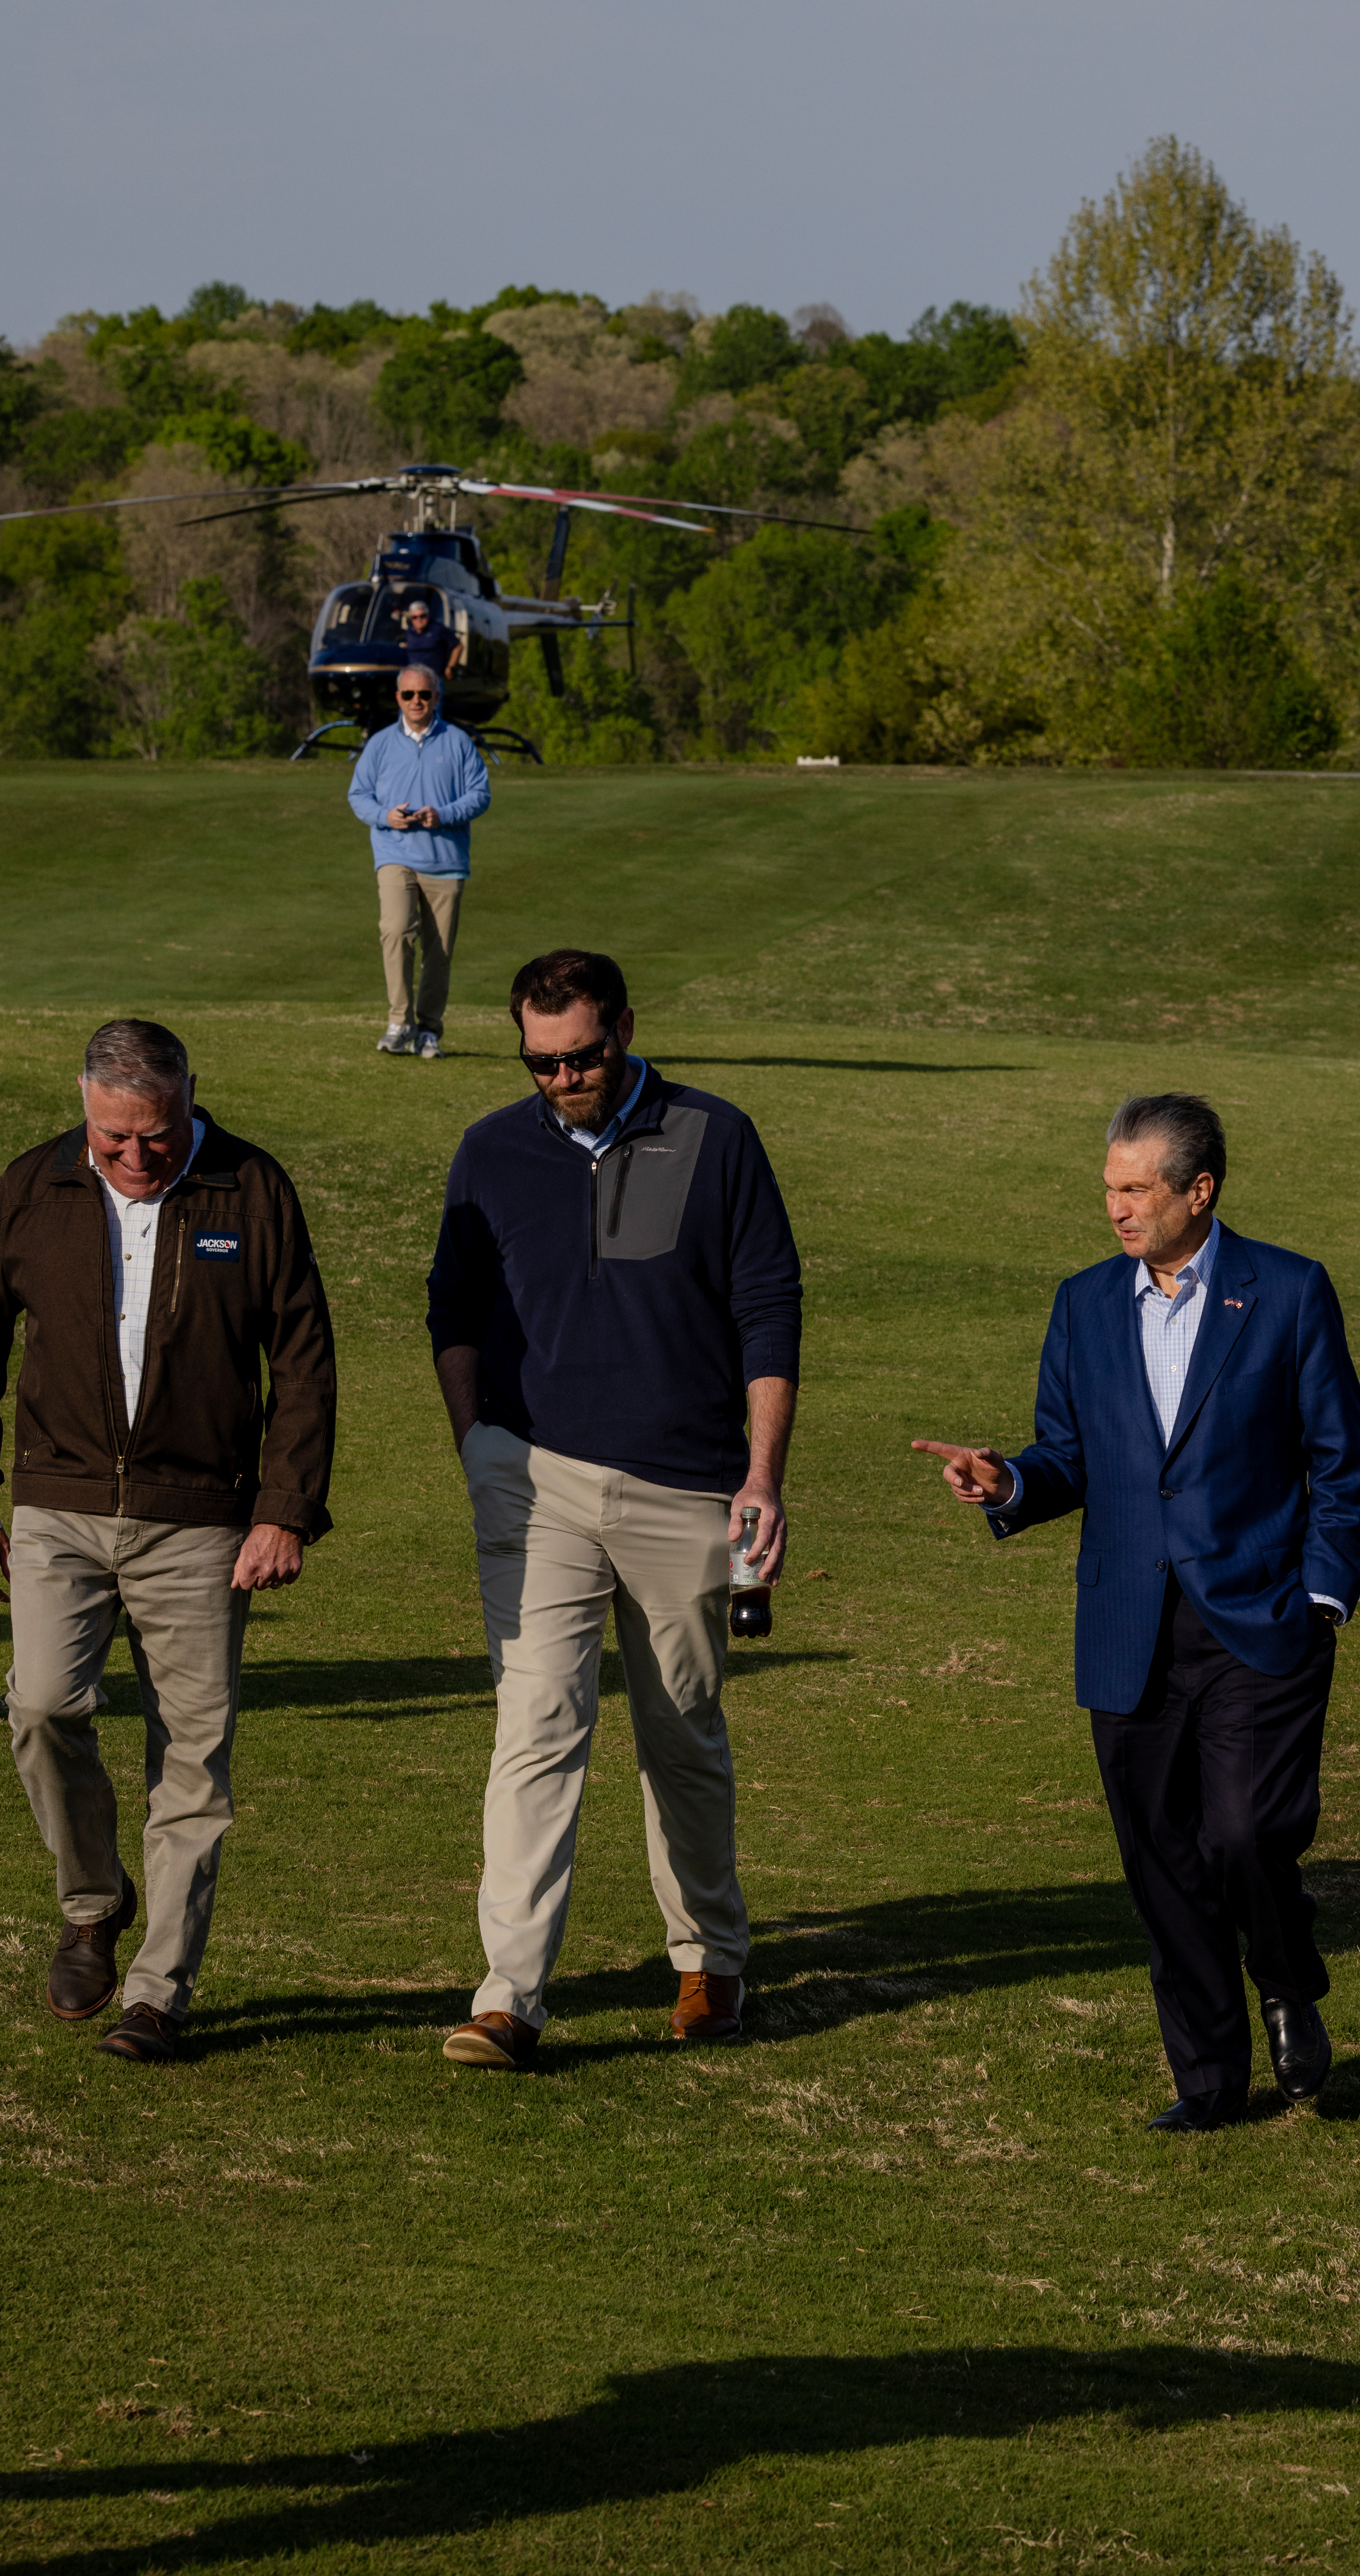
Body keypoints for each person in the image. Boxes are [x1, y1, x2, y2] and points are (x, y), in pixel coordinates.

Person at [913, 1093, 1360, 2133]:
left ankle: (1284, 1971)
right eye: (1107, 1188)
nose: (1114, 1208)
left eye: (1133, 1188)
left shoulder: (1288, 1293)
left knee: (1245, 1832)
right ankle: (1210, 2080)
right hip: (1125, 1624)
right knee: (1162, 1859)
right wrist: (1006, 1484)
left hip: (1258, 1618)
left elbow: (1337, 1466)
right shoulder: (1080, 1303)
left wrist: (1319, 1596)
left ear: (1195, 1190)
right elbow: (1066, 1455)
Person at [0, 1019, 337, 2066]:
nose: (136, 1157)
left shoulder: (251, 1189)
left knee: (193, 1760)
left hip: (202, 1519)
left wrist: (285, 1507)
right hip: (57, 1507)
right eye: (113, 1137)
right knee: (42, 1704)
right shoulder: (34, 1186)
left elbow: (301, 1359)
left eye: (155, 1135)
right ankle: (91, 1899)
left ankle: (158, 1990)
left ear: (189, 1097)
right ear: (84, 1104)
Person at [427, 948, 802, 2069]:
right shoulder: (490, 1147)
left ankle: (707, 1956)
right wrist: (475, 1443)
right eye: (540, 1063)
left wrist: (763, 1474)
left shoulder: (714, 1134)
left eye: (581, 1056)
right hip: (533, 1482)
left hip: (688, 1482)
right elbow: (451, 1302)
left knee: (678, 1727)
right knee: (536, 1723)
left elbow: (767, 1306)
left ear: (625, 1029)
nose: (562, 1080)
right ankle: (509, 1993)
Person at [347, 666, 491, 1061]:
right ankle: (399, 1023)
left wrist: (441, 814)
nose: (416, 702)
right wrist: (385, 816)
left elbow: (480, 795)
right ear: (398, 698)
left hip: (446, 860)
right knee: (395, 930)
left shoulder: (459, 742)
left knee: (438, 951)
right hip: (395, 854)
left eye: (424, 695)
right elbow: (358, 794)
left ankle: (428, 1030)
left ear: (437, 698)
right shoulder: (379, 745)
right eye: (409, 694)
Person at [400, 593, 458, 682]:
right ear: (411, 619)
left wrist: (450, 667)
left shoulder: (438, 629)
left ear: (428, 615)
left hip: (434, 679)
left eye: (422, 616)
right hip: (414, 679)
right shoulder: (409, 632)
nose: (419, 619)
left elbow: (458, 647)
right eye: (415, 617)